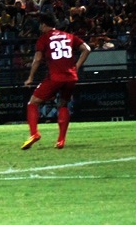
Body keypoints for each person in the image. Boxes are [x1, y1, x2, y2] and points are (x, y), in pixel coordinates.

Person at [22, 12, 91, 150]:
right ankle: (61, 141)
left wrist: (30, 77)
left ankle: (34, 134)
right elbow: (87, 49)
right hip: (71, 77)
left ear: (44, 25)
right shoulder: (68, 36)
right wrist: (76, 67)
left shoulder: (44, 38)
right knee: (63, 104)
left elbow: (37, 59)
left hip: (55, 77)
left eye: (40, 25)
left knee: (33, 102)